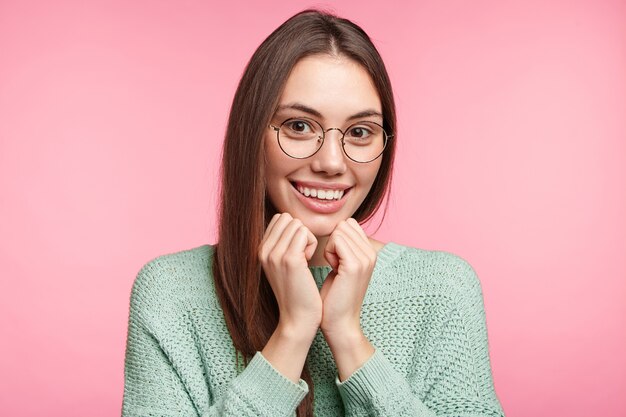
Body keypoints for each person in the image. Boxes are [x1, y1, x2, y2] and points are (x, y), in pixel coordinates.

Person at [122, 9, 505, 417]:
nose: (331, 162)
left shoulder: (443, 289)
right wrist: (292, 332)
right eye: (300, 126)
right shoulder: (170, 293)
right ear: (252, 133)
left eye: (360, 133)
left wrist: (347, 338)